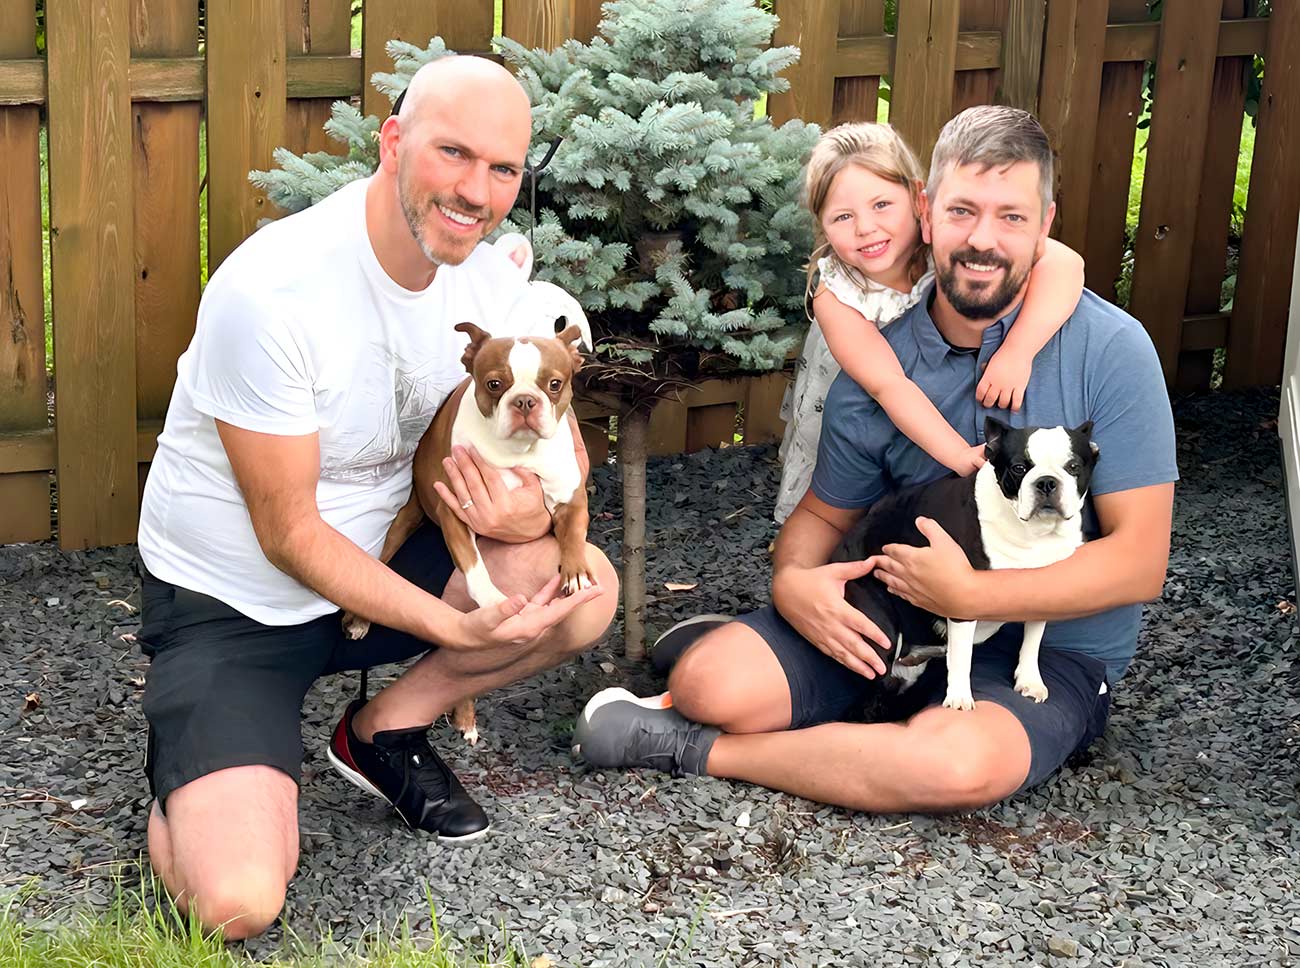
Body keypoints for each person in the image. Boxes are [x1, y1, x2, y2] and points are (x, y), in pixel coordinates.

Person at [574, 105, 1176, 815]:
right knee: (715, 688)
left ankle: (695, 749)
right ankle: (758, 668)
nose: (983, 240)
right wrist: (796, 582)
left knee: (953, 767)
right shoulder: (876, 358)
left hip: (1045, 654)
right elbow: (823, 517)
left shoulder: (1110, 350)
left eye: (1011, 217)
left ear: (1046, 224)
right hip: (894, 620)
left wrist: (973, 598)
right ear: (927, 211)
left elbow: (1140, 562)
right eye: (962, 211)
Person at [135, 56, 617, 940]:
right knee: (238, 902)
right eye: (453, 154)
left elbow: (563, 449)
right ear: (393, 142)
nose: (477, 190)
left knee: (584, 595)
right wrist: (456, 624)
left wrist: (527, 516)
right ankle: (193, 758)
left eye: (504, 168)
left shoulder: (492, 280)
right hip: (238, 601)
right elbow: (287, 535)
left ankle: (382, 730)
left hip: (387, 558)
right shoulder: (272, 292)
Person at [774, 122, 1085, 524]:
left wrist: (1019, 350)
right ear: (822, 224)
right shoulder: (836, 293)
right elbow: (887, 386)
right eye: (842, 217)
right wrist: (958, 454)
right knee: (855, 494)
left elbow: (1066, 263)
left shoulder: (945, 240)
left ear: (920, 203)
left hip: (937, 382)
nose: (865, 228)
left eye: (882, 205)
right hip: (872, 397)